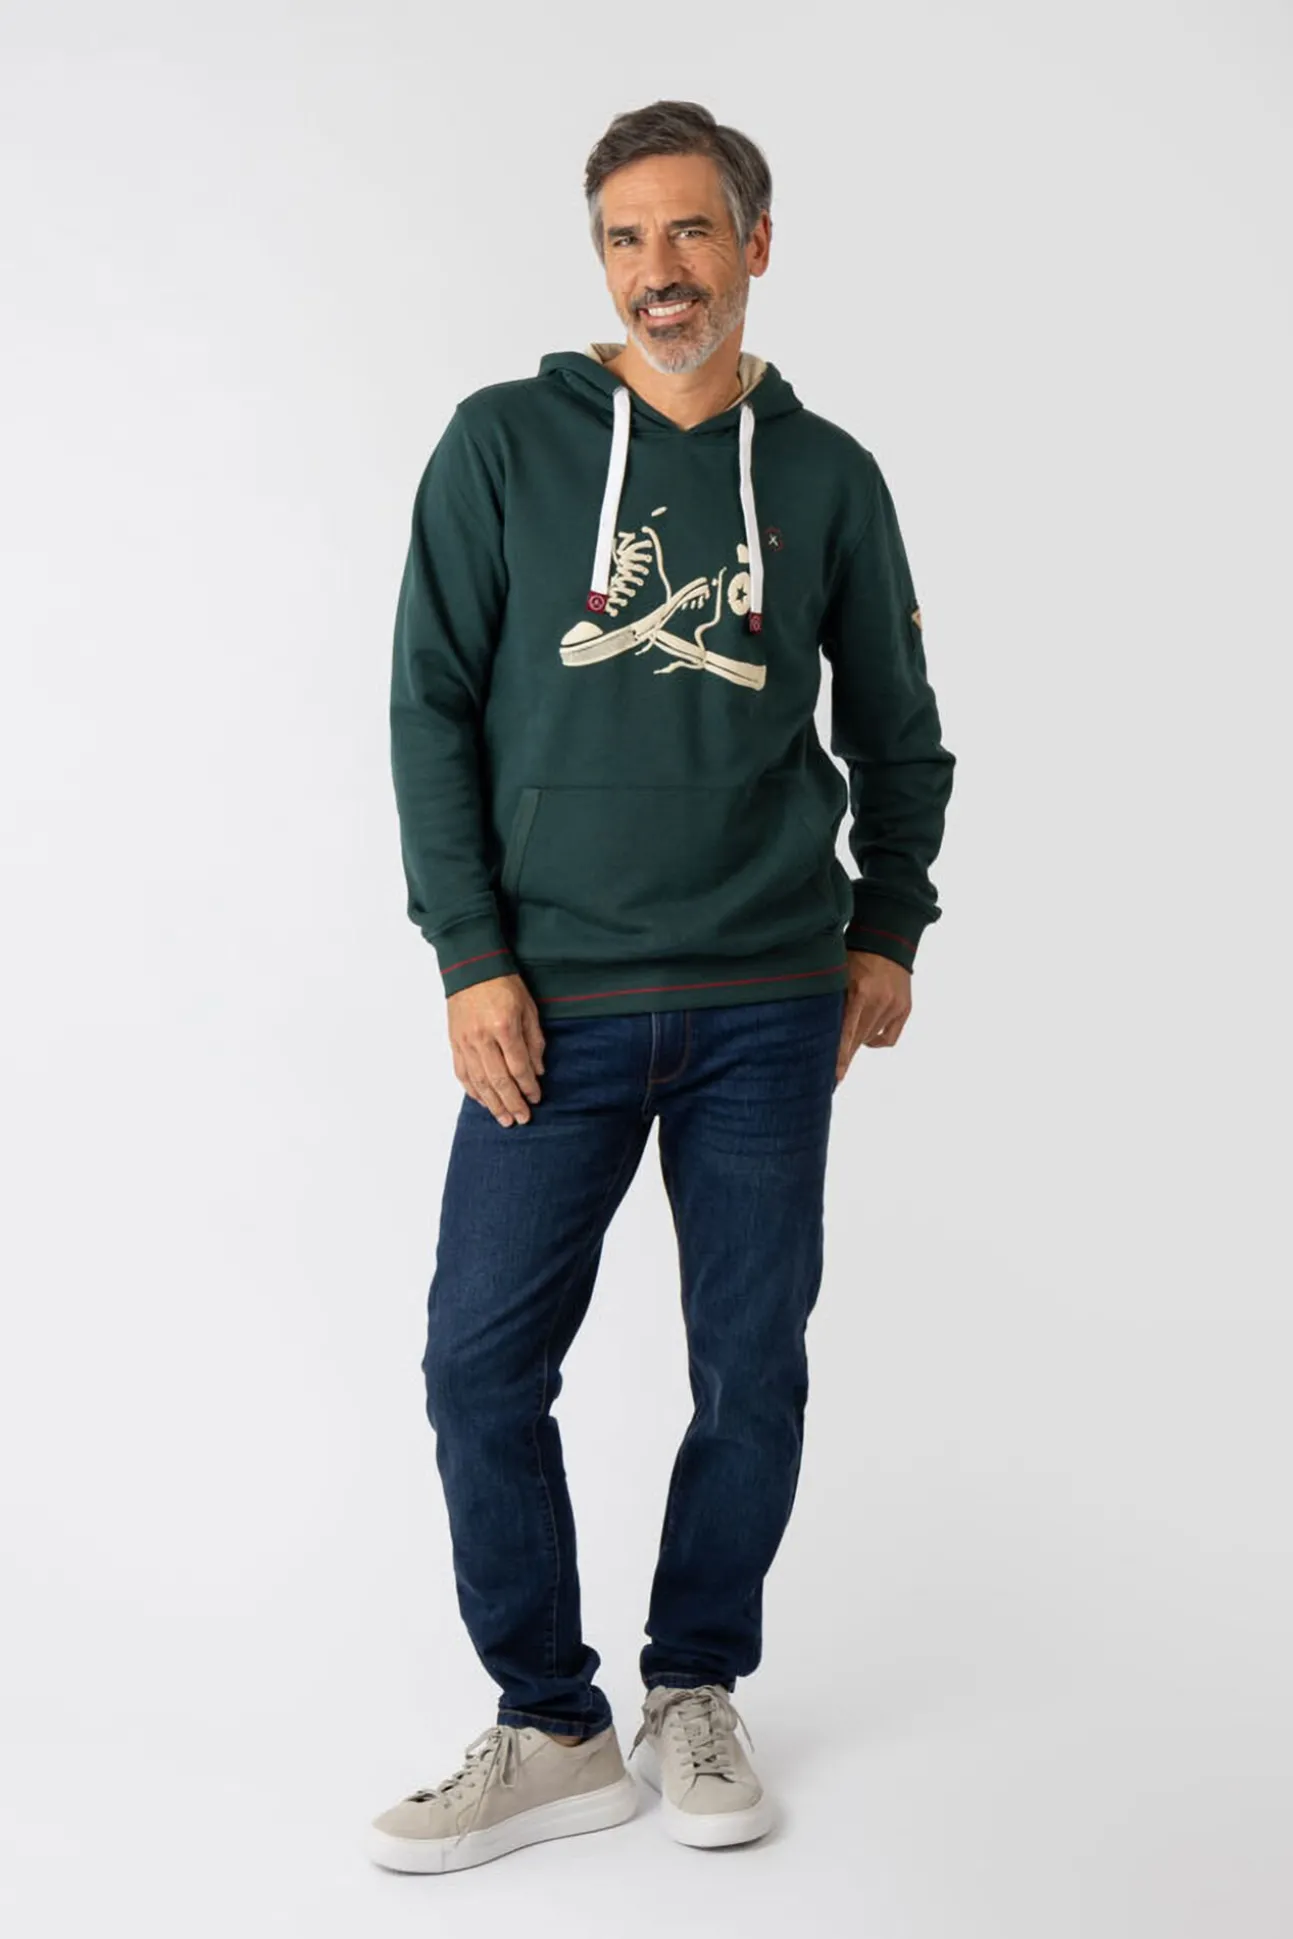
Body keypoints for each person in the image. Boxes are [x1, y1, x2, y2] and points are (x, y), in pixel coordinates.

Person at [369, 99, 955, 1875]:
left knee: (750, 1367)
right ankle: (552, 1724)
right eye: (626, 238)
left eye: (691, 232)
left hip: (770, 1002)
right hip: (551, 1002)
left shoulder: (827, 475)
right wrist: (471, 955)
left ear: (754, 245)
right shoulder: (501, 445)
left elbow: (901, 729)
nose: (659, 271)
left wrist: (888, 926)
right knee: (478, 1362)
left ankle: (694, 1682)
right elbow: (428, 711)